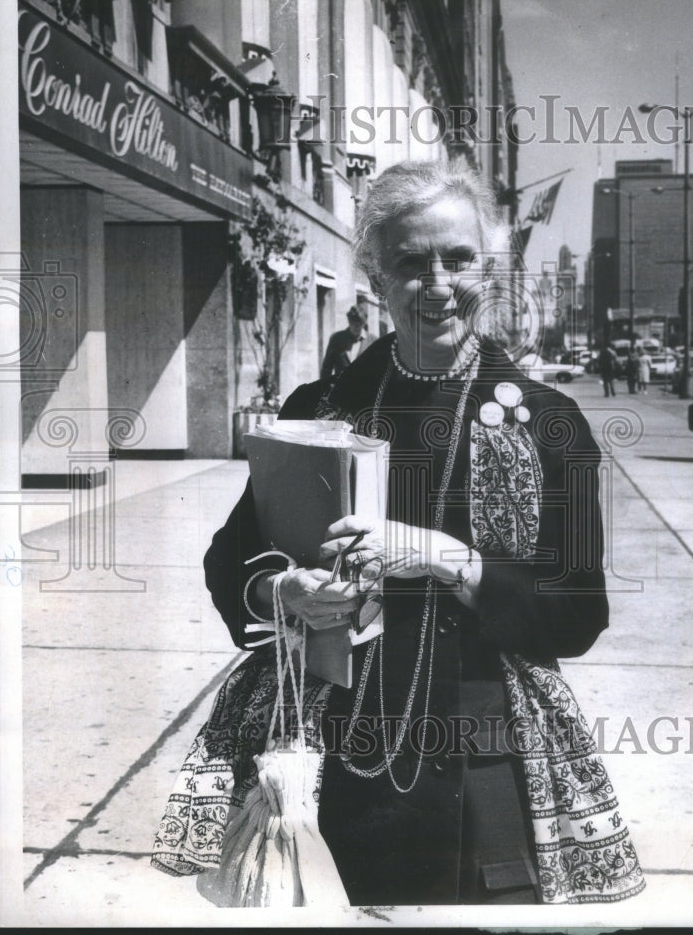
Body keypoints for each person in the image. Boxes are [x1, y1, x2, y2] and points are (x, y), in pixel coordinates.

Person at [152, 160, 645, 906]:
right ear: (375, 279)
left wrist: (445, 558)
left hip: (483, 753)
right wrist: (283, 589)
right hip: (333, 752)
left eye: (459, 258)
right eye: (411, 263)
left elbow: (577, 612)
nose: (438, 284)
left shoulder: (544, 420)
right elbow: (232, 561)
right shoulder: (321, 408)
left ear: (490, 268)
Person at [320, 305, 375, 379]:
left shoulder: (372, 340)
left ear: (364, 323)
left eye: (360, 324)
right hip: (341, 388)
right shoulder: (336, 339)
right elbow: (326, 369)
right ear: (349, 321)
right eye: (353, 323)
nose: (356, 327)